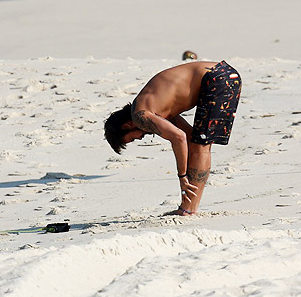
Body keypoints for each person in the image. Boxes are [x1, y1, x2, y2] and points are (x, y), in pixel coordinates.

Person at [104, 61, 242, 215]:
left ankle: (188, 209)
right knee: (200, 142)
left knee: (201, 146)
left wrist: (182, 176)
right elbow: (188, 136)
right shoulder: (152, 106)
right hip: (227, 74)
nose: (140, 138)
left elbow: (179, 137)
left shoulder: (139, 116)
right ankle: (190, 208)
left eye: (133, 139)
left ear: (126, 126)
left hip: (215, 78)